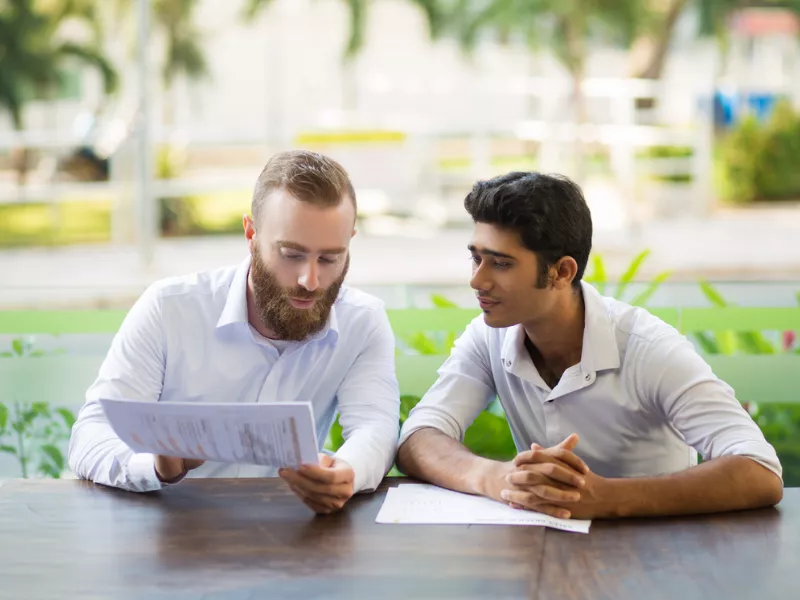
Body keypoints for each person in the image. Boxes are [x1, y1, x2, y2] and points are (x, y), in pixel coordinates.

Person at [397, 171, 783, 520]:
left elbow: (759, 471)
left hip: (661, 560)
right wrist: (497, 476)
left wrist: (604, 497)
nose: (477, 281)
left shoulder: (649, 348)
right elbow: (419, 437)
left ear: (562, 272)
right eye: (476, 258)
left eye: (500, 264)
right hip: (544, 555)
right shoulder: (488, 335)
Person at [69, 150, 400, 514]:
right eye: (291, 254)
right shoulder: (170, 307)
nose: (310, 280)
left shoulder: (362, 321)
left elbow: (374, 427)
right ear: (251, 233)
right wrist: (158, 465)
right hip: (172, 536)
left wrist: (348, 471)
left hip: (295, 540)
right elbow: (91, 437)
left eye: (329, 258)